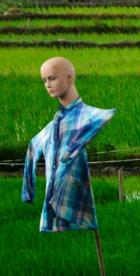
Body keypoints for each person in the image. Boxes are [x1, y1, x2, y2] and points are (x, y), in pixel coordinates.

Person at [22, 57, 116, 232]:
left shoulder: (90, 116)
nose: (48, 84)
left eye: (52, 78)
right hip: (54, 206)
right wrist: (28, 192)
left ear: (69, 77)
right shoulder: (53, 125)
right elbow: (32, 146)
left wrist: (70, 150)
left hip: (76, 201)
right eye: (44, 80)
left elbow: (94, 123)